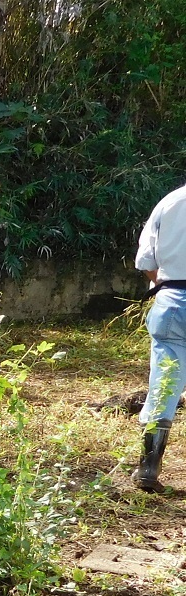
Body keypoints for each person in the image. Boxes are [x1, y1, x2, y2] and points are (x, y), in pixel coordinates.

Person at [132, 182, 186, 491]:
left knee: (164, 384)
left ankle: (148, 468)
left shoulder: (169, 201)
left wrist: (168, 284)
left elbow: (146, 261)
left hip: (171, 301)